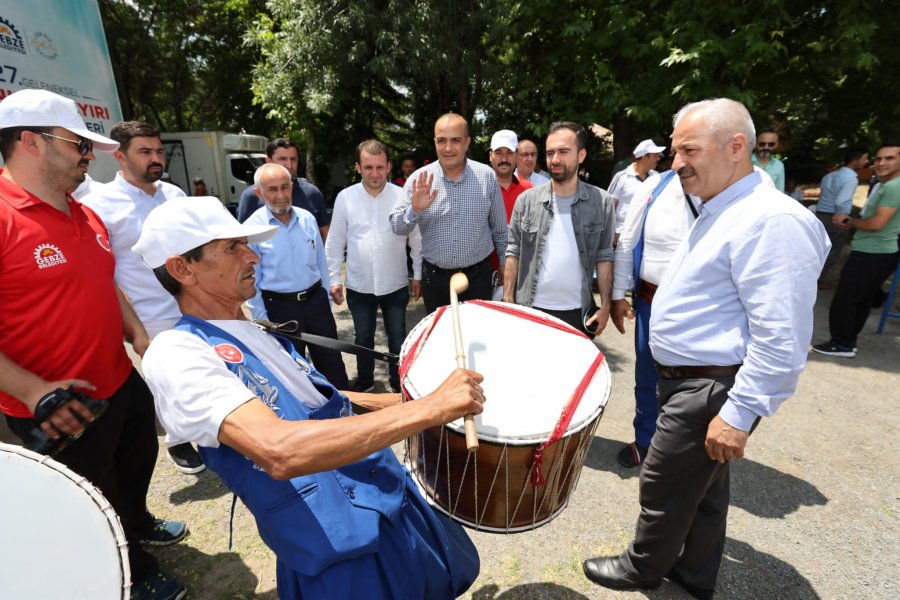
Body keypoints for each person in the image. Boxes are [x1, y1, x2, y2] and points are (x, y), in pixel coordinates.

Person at [132, 195, 482, 599]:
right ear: (182, 268)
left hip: (384, 497)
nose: (253, 257)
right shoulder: (176, 353)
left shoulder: (252, 329)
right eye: (232, 247)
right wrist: (429, 408)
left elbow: (321, 403)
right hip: (338, 546)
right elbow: (278, 449)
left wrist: (425, 398)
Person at [582, 98, 828, 599]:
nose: (676, 163)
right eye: (675, 152)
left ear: (736, 146)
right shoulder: (726, 206)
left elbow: (781, 338)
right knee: (706, 492)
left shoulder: (772, 221)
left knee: (665, 485)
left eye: (688, 150)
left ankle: (643, 567)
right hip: (692, 380)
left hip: (711, 386)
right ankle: (693, 577)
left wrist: (739, 414)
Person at [0, 89, 188, 600]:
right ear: (29, 142)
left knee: (137, 460)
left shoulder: (85, 214)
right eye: (77, 143)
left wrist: (140, 336)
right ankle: (129, 571)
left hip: (119, 381)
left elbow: (107, 283)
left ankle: (138, 521)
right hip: (57, 408)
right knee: (91, 495)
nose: (88, 154)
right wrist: (35, 390)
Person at [81, 121, 205, 475]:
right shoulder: (99, 205)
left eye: (159, 151)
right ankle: (178, 441)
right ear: (120, 156)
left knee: (198, 375)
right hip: (147, 314)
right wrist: (132, 326)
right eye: (145, 152)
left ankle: (210, 432)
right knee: (164, 383)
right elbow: (101, 269)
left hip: (190, 305)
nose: (155, 159)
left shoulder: (175, 196)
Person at [610, 170, 700, 468]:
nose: (682, 155)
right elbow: (627, 240)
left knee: (696, 381)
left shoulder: (735, 183)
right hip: (650, 303)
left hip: (701, 307)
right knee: (648, 376)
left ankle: (682, 450)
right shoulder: (654, 184)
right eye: (678, 146)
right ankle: (645, 440)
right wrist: (618, 294)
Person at [325, 140, 422, 393]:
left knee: (398, 338)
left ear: (389, 166)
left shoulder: (404, 197)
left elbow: (416, 239)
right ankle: (366, 382)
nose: (375, 173)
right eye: (368, 167)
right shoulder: (345, 198)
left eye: (380, 167)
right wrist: (333, 278)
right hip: (360, 284)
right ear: (358, 167)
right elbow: (335, 242)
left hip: (395, 282)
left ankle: (397, 382)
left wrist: (419, 274)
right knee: (363, 338)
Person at [503, 121, 615, 336]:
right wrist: (508, 300)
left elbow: (604, 257)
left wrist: (606, 306)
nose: (555, 159)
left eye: (563, 152)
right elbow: (513, 250)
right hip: (531, 311)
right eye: (550, 153)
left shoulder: (601, 202)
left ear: (581, 155)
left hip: (579, 314)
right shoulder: (526, 201)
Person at [389, 113, 508, 313]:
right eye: (441, 140)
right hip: (435, 281)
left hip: (478, 279)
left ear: (467, 142)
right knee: (440, 338)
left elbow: (499, 229)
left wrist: (504, 264)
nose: (448, 148)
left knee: (477, 338)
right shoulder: (419, 179)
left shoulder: (486, 176)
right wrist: (415, 209)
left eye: (456, 140)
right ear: (434, 142)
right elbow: (397, 227)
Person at [245, 164, 349, 388]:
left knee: (332, 364)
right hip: (278, 310)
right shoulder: (252, 230)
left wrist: (326, 300)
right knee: (291, 371)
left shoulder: (307, 219)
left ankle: (345, 413)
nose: (281, 195)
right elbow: (250, 280)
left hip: (316, 304)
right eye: (273, 189)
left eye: (285, 187)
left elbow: (321, 261)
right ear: (259, 193)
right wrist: (262, 319)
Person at [812, 142, 900, 358]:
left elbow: (877, 223)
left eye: (889, 158)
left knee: (846, 299)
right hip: (876, 251)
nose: (881, 163)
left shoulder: (893, 186)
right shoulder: (887, 185)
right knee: (860, 299)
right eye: (878, 158)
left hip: (874, 251)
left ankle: (842, 344)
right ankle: (846, 342)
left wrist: (849, 221)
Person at [235, 138, 330, 241]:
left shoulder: (312, 193)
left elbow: (325, 233)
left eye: (293, 159)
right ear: (268, 161)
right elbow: (241, 240)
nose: (289, 165)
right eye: (283, 159)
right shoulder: (251, 196)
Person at [815, 147, 869, 288]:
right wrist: (845, 219)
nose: (866, 162)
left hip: (820, 215)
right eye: (864, 159)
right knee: (831, 252)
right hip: (835, 219)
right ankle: (816, 281)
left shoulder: (829, 176)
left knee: (816, 249)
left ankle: (806, 278)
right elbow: (841, 201)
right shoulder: (851, 178)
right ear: (854, 161)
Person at [607, 139, 665, 235]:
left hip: (647, 233)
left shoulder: (657, 177)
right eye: (655, 155)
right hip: (622, 232)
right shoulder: (622, 176)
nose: (658, 158)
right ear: (645, 157)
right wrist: (610, 233)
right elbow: (609, 206)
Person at [489, 129, 533, 221]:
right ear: (490, 156)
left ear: (517, 155)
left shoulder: (528, 189)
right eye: (498, 153)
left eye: (509, 152)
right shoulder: (481, 190)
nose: (504, 159)